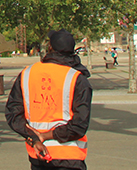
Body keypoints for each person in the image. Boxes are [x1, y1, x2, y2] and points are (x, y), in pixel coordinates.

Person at [6, 29, 91, 169]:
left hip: (39, 157)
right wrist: (46, 135)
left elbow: (13, 114)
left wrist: (35, 138)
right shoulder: (78, 79)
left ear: (50, 47)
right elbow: (79, 125)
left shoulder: (27, 74)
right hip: (70, 157)